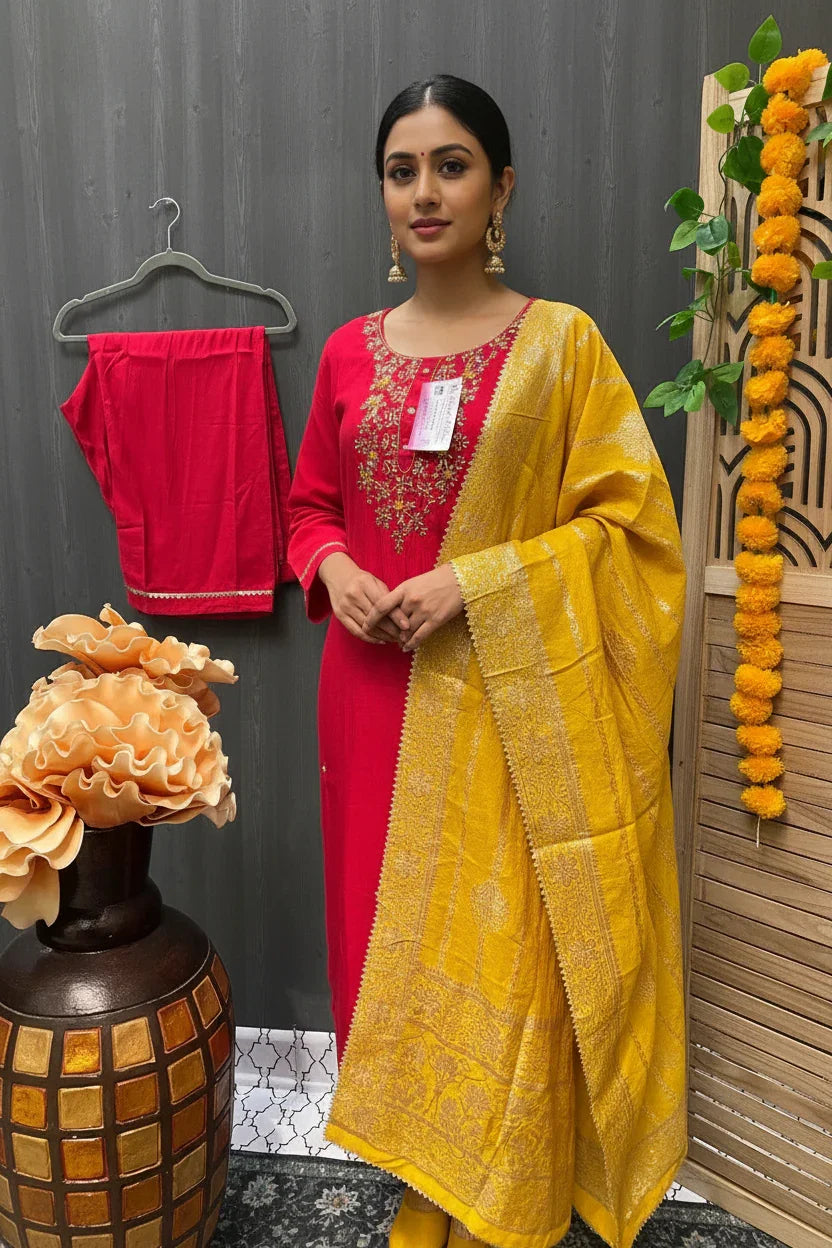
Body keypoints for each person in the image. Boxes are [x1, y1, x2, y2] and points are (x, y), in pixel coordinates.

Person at [287, 73, 687, 1248]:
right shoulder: (349, 358)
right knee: (387, 938)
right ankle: (426, 1168)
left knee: (508, 941)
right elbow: (306, 508)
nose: (425, 191)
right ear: (382, 193)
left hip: (514, 707)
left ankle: (508, 1179)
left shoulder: (562, 346)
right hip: (368, 700)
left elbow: (633, 533)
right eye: (402, 170)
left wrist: (483, 579)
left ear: (500, 187)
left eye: (451, 164)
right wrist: (331, 570)